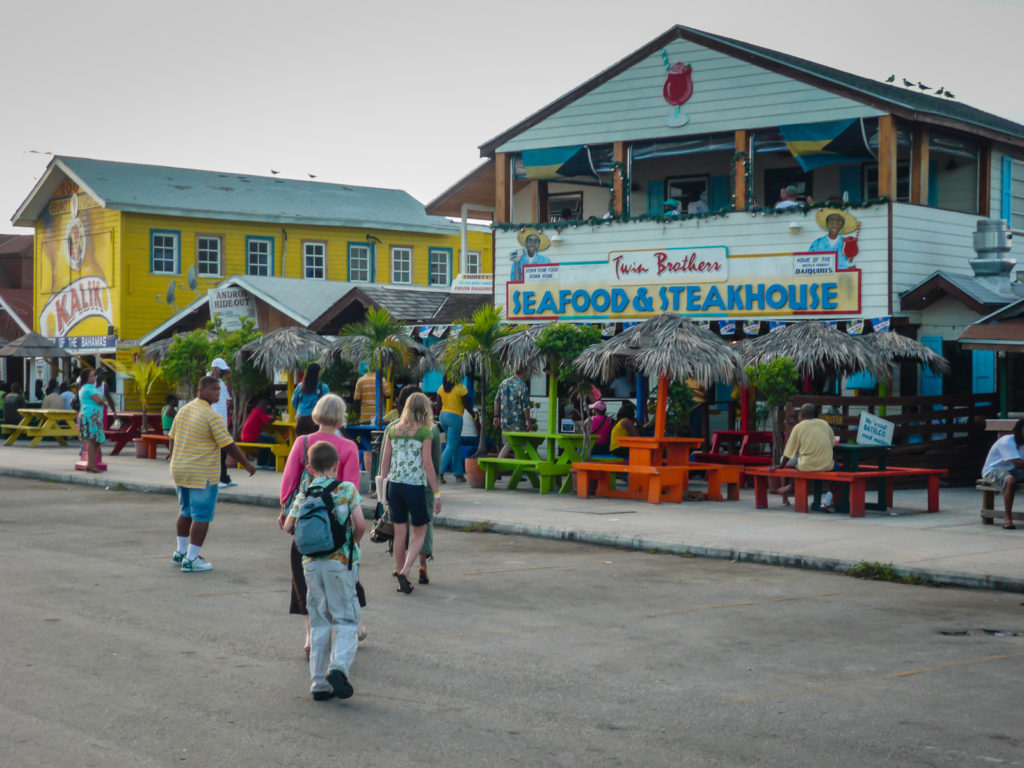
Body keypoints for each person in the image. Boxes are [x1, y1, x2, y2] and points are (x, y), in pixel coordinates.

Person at [283, 440, 366, 701]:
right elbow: (361, 524)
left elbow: (288, 527)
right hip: (339, 564)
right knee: (346, 620)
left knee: (319, 622)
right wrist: (351, 541)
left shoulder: (304, 493)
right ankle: (338, 668)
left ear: (309, 467)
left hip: (311, 566)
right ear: (337, 465)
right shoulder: (346, 489)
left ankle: (318, 683)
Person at [279, 394, 361, 655]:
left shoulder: (302, 443)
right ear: (341, 416)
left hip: (306, 518)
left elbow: (289, 480)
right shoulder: (348, 447)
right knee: (344, 574)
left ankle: (310, 635)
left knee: (304, 578)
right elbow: (351, 487)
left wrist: (285, 510)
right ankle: (349, 626)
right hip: (337, 525)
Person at [170, 376, 256, 572]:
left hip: (180, 469)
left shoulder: (184, 410)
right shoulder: (211, 415)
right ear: (200, 390)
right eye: (213, 389)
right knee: (202, 515)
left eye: (218, 389)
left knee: (185, 511)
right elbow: (228, 444)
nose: (217, 393)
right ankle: (192, 559)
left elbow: (172, 439)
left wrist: (174, 459)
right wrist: (246, 464)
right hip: (201, 472)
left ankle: (181, 552)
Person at [378, 392, 441, 595]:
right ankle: (405, 571)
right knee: (420, 532)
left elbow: (385, 462)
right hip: (415, 487)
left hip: (395, 486)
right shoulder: (424, 431)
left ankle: (399, 573)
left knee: (399, 533)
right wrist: (437, 493)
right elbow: (428, 464)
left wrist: (383, 487)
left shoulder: (393, 430)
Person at [773, 403, 837, 507]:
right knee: (839, 470)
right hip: (826, 464)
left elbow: (788, 453)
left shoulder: (798, 427)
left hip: (806, 465)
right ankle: (828, 500)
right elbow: (832, 445)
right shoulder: (825, 424)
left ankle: (789, 487)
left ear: (801, 415)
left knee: (797, 465)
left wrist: (780, 466)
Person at [981, 419, 1024, 530]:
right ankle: (1007, 518)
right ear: (1019, 430)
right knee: (1010, 481)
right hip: (993, 470)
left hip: (1013, 470)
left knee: (1012, 477)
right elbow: (1018, 463)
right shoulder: (1007, 441)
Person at [437, 375, 477, 484]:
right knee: (451, 446)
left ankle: (459, 474)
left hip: (443, 417)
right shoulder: (461, 388)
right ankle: (439, 472)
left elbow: (438, 405)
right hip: (455, 418)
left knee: (455, 444)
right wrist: (474, 415)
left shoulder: (441, 388)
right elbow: (467, 404)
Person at [493, 368, 532, 459]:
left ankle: (511, 469)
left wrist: (496, 416)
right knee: (517, 445)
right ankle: (504, 467)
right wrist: (529, 422)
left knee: (509, 444)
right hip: (518, 423)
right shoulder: (522, 386)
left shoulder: (504, 383)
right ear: (524, 371)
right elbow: (526, 407)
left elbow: (496, 401)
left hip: (505, 421)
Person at [208, 357, 235, 488]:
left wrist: (229, 380)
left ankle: (224, 478)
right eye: (222, 370)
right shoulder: (207, 380)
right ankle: (215, 479)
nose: (223, 373)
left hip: (222, 421)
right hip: (212, 421)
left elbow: (229, 397)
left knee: (223, 451)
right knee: (216, 452)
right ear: (216, 369)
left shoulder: (220, 382)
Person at [76, 371, 106, 472]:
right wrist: (105, 403)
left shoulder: (83, 388)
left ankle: (91, 463)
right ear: (87, 379)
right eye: (92, 376)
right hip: (91, 415)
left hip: (90, 414)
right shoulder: (89, 388)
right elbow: (98, 400)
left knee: (96, 440)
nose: (94, 378)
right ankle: (91, 464)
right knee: (92, 439)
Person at [292, 362, 329, 436]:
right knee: (316, 444)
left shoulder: (300, 386)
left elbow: (294, 402)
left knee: (302, 443)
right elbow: (328, 404)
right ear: (318, 373)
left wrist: (299, 410)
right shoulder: (323, 387)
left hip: (301, 418)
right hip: (316, 419)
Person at [240, 395, 278, 469]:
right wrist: (274, 416)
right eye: (265, 404)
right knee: (272, 440)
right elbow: (268, 421)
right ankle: (271, 464)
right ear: (261, 404)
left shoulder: (254, 410)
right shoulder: (259, 411)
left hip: (246, 436)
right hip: (252, 436)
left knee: (265, 440)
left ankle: (261, 462)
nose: (266, 406)